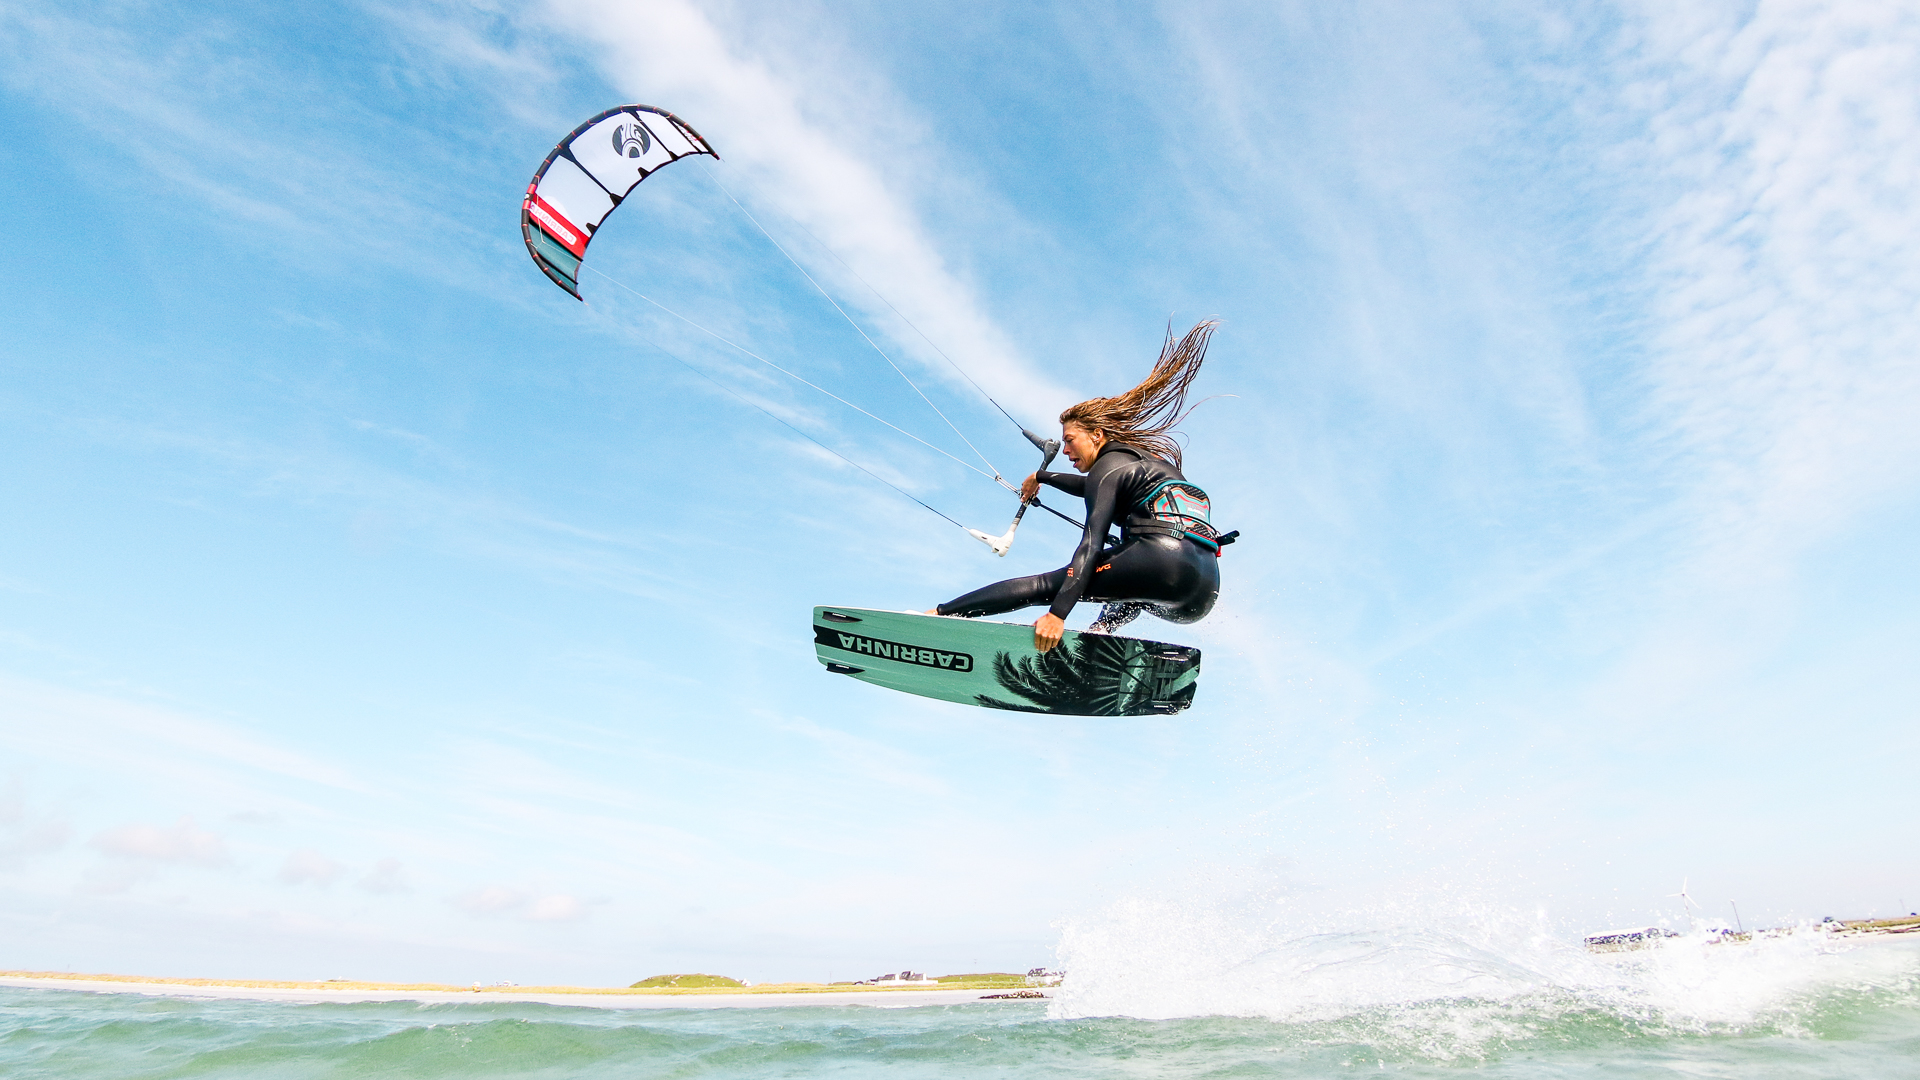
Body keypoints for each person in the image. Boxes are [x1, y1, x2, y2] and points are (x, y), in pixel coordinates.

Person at [929, 321, 1226, 651]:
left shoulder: (1108, 469)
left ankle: (939, 615)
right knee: (1129, 587)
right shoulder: (1149, 464)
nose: (1066, 450)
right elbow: (1093, 487)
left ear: (1096, 435)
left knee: (1045, 584)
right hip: (1201, 591)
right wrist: (1041, 477)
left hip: (1160, 565)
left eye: (1070, 440)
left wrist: (1058, 614)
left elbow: (1091, 544)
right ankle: (1101, 633)